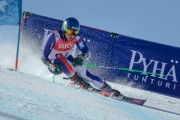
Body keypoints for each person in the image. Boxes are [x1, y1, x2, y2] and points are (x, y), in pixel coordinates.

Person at [41, 17, 119, 96]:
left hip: (67, 59)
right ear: (65, 29)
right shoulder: (54, 36)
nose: (73, 35)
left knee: (84, 73)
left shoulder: (76, 38)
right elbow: (43, 57)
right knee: (61, 59)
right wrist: (51, 65)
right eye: (71, 32)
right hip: (54, 64)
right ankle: (78, 81)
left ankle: (108, 89)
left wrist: (81, 57)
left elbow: (86, 52)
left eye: (75, 32)